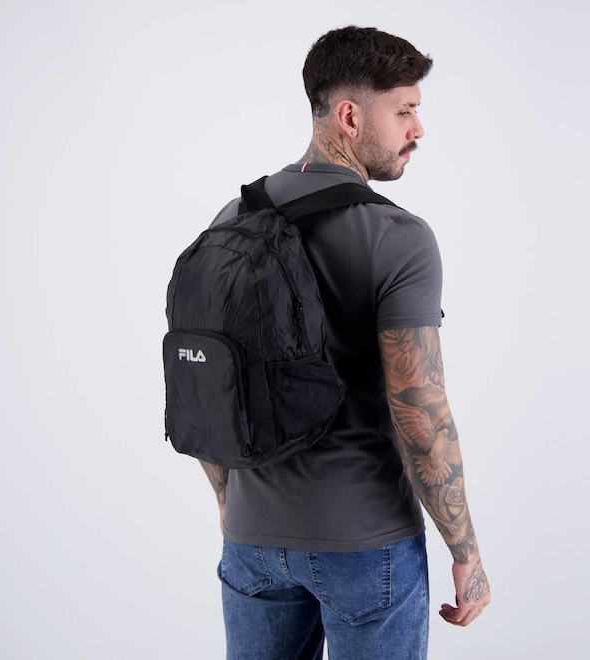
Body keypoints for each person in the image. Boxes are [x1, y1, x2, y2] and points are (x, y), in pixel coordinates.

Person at [198, 25, 491, 659]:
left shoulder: (231, 220)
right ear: (350, 117)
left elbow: (206, 380)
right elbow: (421, 412)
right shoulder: (397, 237)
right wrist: (464, 550)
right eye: (404, 111)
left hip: (250, 544)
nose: (419, 129)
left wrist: (228, 500)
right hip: (366, 546)